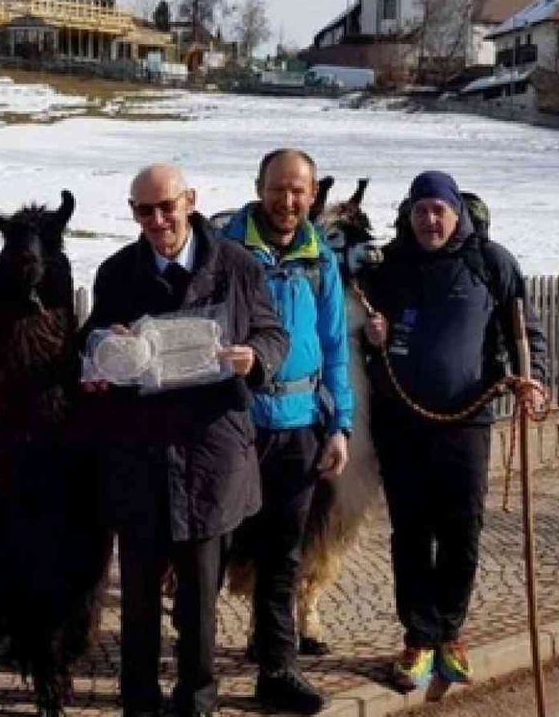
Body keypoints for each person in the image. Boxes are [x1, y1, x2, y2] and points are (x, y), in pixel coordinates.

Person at [81, 164, 287, 717]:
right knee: (140, 598)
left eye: (166, 206)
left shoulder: (237, 266)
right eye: (143, 211)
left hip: (210, 453)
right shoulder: (118, 272)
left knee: (199, 597)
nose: (157, 220)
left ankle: (196, 700)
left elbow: (273, 332)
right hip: (140, 456)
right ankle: (139, 701)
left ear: (189, 201)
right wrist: (106, 347)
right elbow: (92, 341)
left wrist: (256, 358)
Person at [361, 171, 547, 693]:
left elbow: (525, 331)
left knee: (462, 531)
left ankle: (451, 633)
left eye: (438, 210)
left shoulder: (491, 263)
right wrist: (372, 334)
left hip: (467, 423)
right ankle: (419, 637)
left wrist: (534, 382)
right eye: (421, 210)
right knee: (412, 535)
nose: (429, 220)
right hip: (401, 423)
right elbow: (361, 331)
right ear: (409, 213)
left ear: (456, 212)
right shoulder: (390, 266)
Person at [217, 149, 351, 715]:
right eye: (278, 189)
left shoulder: (319, 258)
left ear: (312, 194)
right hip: (234, 425)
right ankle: (194, 676)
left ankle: (277, 669)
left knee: (282, 558)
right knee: (213, 551)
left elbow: (336, 345)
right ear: (259, 187)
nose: (288, 201)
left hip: (298, 426)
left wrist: (340, 425)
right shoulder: (224, 250)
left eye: (299, 191)